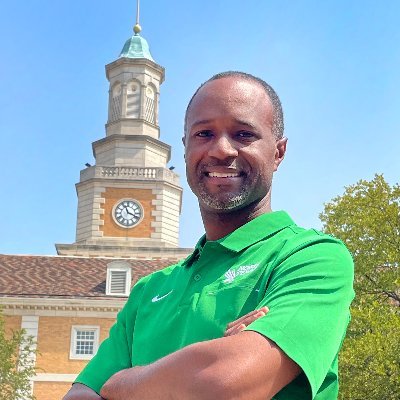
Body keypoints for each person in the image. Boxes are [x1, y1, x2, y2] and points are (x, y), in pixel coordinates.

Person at [63, 71, 354, 400]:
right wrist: (213, 359)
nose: (221, 149)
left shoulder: (311, 258)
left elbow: (221, 384)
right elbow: (80, 396)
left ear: (278, 152)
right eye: (204, 133)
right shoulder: (148, 291)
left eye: (243, 134)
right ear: (186, 148)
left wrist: (123, 384)